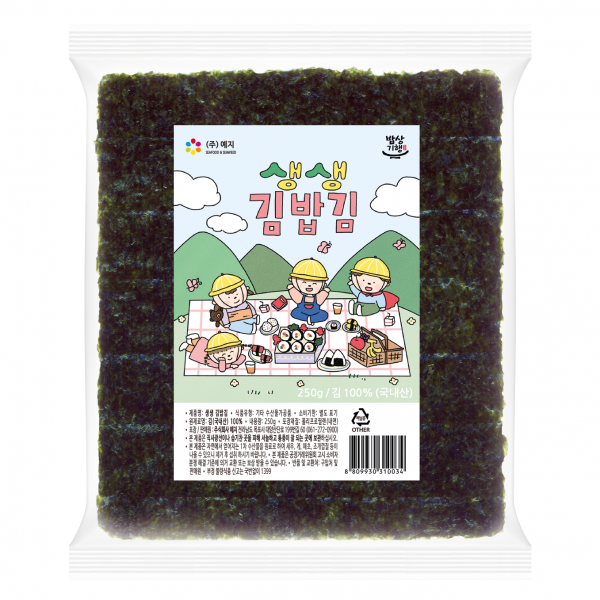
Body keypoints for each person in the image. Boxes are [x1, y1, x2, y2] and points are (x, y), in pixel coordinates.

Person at [287, 258, 330, 325]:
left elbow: (322, 295)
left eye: (314, 283)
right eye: (304, 282)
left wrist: (325, 291)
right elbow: (295, 295)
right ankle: (310, 319)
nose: (309, 285)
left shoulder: (317, 298)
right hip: (301, 312)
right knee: (294, 312)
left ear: (323, 284)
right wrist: (291, 288)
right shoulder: (300, 298)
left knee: (324, 315)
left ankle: (308, 318)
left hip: (316, 312)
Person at [179, 331, 247, 372]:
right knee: (202, 345)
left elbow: (242, 357)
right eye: (223, 355)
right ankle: (194, 339)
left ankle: (187, 346)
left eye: (231, 352)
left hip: (206, 358)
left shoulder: (227, 362)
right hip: (211, 349)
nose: (228, 355)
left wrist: (233, 364)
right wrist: (231, 365)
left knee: (196, 352)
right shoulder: (221, 359)